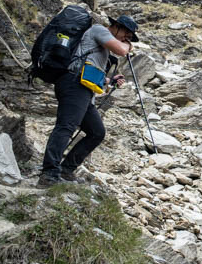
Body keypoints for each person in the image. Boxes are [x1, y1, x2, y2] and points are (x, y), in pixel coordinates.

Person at [38, 15, 139, 187]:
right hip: (73, 84)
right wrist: (128, 45)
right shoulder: (99, 30)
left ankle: (66, 169)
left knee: (96, 132)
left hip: (84, 89)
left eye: (129, 37)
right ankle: (49, 173)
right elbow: (122, 51)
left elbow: (92, 72)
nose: (126, 38)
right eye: (126, 34)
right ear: (115, 26)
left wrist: (111, 81)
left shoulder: (103, 47)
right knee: (66, 127)